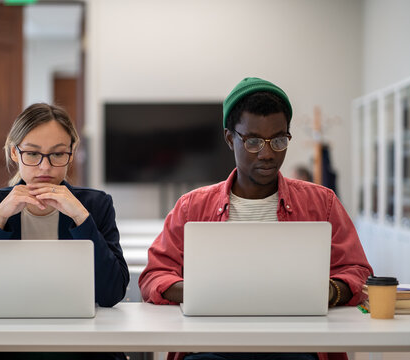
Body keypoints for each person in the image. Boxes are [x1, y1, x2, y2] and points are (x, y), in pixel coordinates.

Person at [138, 78, 373, 360]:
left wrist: (330, 292)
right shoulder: (191, 207)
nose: (267, 153)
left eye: (278, 140)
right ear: (229, 138)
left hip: (295, 348)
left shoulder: (322, 203)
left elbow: (358, 272)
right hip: (211, 349)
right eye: (252, 141)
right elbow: (153, 276)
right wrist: (200, 292)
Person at [0, 103, 129, 360]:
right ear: (15, 153)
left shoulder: (95, 205)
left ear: (71, 153)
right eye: (32, 154)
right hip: (6, 344)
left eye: (57, 155)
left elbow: (112, 292)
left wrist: (81, 217)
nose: (45, 167)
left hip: (81, 344)